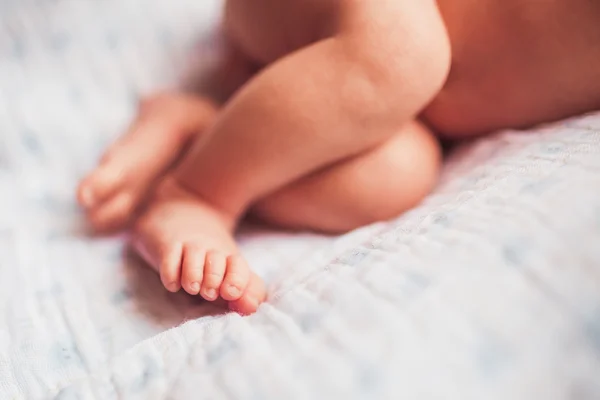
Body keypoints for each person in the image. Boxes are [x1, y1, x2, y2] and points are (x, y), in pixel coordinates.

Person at [77, 0, 600, 314]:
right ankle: (196, 192)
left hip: (387, 106)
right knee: (402, 55)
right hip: (346, 17)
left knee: (396, 175)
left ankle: (208, 129)